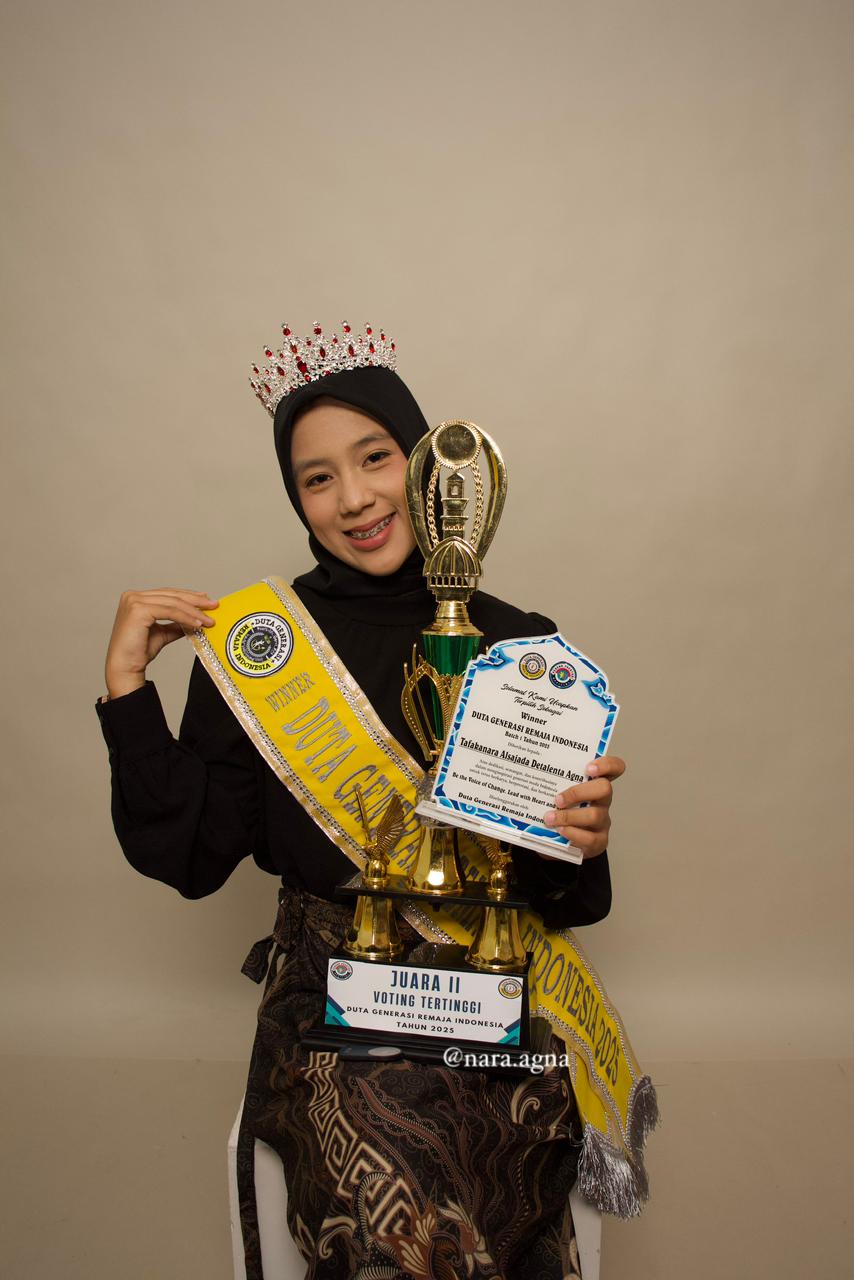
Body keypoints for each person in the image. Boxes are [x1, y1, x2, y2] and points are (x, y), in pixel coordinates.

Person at [97, 325, 626, 1279]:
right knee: (401, 1198)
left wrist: (578, 842)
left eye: (376, 458)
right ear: (296, 497)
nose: (354, 499)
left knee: (505, 1152)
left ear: (427, 465)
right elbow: (191, 858)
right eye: (318, 478)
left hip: (492, 984)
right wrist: (129, 692)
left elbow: (568, 902)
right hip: (334, 987)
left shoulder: (520, 644)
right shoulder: (261, 646)